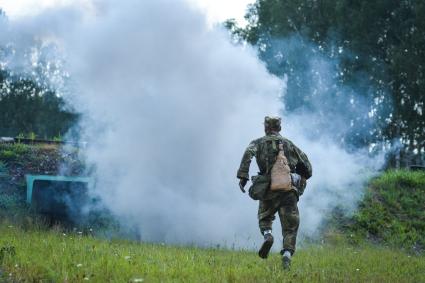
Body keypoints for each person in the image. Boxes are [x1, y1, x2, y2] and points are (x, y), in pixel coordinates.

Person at [237, 116, 312, 270]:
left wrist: (243, 176)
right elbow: (307, 166)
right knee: (290, 226)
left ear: (265, 127)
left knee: (264, 218)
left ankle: (268, 235)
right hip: (288, 190)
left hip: (268, 188)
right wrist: (299, 175)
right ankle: (287, 254)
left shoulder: (257, 143)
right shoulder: (290, 144)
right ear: (279, 128)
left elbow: (247, 154)